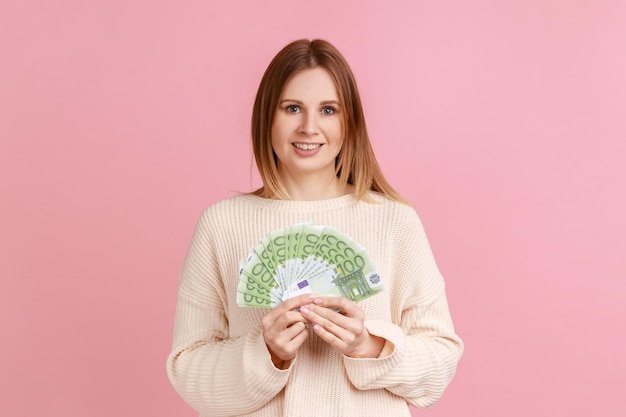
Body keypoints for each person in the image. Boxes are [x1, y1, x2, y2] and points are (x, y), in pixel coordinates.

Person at [166, 39, 463, 417]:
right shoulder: (221, 225)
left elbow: (441, 358)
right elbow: (187, 369)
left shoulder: (395, 222)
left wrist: (368, 345)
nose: (309, 127)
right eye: (292, 108)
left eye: (327, 110)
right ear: (267, 118)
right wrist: (267, 353)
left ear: (348, 121)